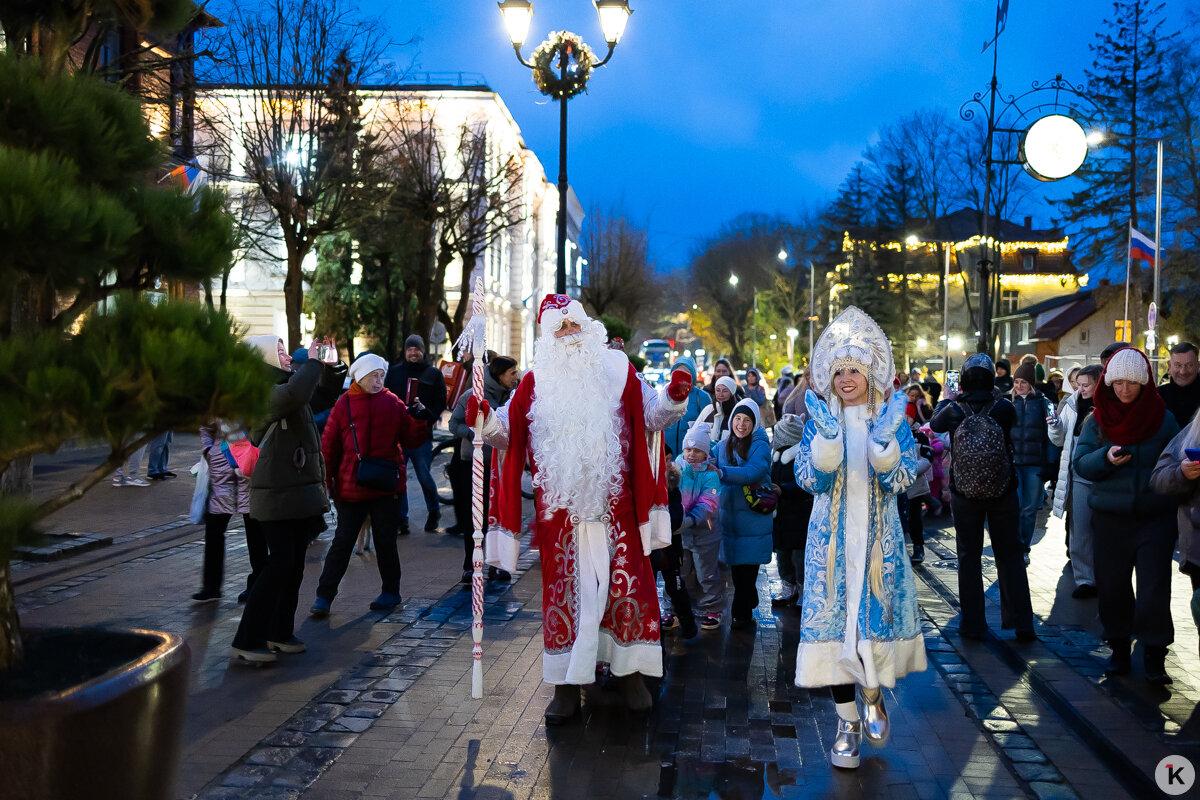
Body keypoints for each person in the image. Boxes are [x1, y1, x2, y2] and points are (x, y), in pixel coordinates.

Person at [472, 294, 692, 723]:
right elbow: (507, 433)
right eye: (560, 329)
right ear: (549, 337)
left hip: (616, 507)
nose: (569, 335)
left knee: (626, 590)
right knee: (565, 598)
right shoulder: (535, 383)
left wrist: (673, 397)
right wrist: (484, 417)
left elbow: (651, 416)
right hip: (562, 514)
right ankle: (567, 686)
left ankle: (630, 675)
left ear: (587, 328)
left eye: (573, 326)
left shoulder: (617, 370)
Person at [794, 306, 927, 771]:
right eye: (840, 371)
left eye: (855, 370)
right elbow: (807, 478)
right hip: (830, 548)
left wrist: (886, 452)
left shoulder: (890, 421)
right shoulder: (819, 422)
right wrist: (824, 451)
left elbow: (904, 476)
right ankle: (846, 721)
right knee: (834, 639)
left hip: (876, 546)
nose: (847, 378)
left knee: (869, 627)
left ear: (870, 376)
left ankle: (872, 694)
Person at [231, 335, 343, 664]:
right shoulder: (260, 391)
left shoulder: (288, 385)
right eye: (278, 350)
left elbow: (320, 395)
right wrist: (311, 361)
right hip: (275, 495)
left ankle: (279, 632)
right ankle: (247, 638)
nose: (285, 353)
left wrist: (330, 365)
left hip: (292, 494)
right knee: (278, 564)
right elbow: (296, 393)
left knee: (292, 566)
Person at [1074, 347, 1180, 684]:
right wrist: (1105, 457)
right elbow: (1081, 463)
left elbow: (1172, 461)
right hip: (1110, 518)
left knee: (1153, 590)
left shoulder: (1163, 419)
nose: (1123, 390)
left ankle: (1154, 654)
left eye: (1131, 384)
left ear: (1144, 383)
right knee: (1113, 588)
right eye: (1117, 383)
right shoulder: (1097, 419)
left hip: (1154, 516)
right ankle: (1118, 648)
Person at [930, 352, 1036, 642]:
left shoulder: (954, 409)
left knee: (968, 556)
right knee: (1010, 555)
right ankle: (1022, 622)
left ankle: (973, 624)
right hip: (1003, 490)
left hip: (964, 493)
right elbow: (1012, 425)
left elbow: (935, 425)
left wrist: (948, 396)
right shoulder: (1003, 406)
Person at [310, 353, 426, 618]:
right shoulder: (344, 404)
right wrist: (328, 482)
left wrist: (419, 418)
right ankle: (323, 596)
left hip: (385, 487)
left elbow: (411, 439)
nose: (378, 380)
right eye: (373, 375)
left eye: (381, 375)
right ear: (359, 377)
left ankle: (391, 592)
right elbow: (329, 447)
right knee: (342, 542)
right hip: (351, 488)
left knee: (386, 542)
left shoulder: (393, 402)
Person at [448, 355, 519, 581]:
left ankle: (496, 563)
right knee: (475, 517)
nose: (516, 377)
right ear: (500, 375)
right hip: (474, 464)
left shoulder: (513, 398)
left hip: (501, 466)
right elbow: (454, 423)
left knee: (497, 516)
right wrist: (473, 435)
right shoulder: (473, 395)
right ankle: (471, 564)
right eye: (512, 373)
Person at [714, 399, 774, 630]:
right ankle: (748, 599)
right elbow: (708, 457)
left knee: (746, 571)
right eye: (738, 419)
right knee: (737, 570)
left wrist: (722, 472)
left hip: (753, 517)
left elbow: (754, 472)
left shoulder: (760, 444)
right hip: (731, 519)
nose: (741, 424)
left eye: (747, 420)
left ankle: (741, 616)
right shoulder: (723, 444)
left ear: (754, 423)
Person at [192, 421, 266, 604]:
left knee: (255, 532)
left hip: (248, 465)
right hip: (220, 471)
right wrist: (209, 450)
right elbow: (206, 426)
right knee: (214, 532)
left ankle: (257, 585)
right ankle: (211, 586)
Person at [385, 334, 447, 533]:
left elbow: (440, 402)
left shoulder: (433, 374)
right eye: (409, 349)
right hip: (399, 435)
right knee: (399, 479)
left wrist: (427, 417)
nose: (413, 352)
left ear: (423, 351)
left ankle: (434, 511)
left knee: (424, 476)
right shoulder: (394, 373)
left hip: (421, 435)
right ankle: (401, 519)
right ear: (405, 352)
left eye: (417, 349)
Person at [1049, 364, 1102, 598]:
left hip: (1104, 474)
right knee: (1079, 527)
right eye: (1077, 385)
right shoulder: (1071, 404)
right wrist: (1055, 426)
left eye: (1085, 385)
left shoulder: (1108, 406)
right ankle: (1084, 579)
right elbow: (1059, 440)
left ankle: (1104, 575)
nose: (1080, 390)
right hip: (1077, 472)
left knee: (1102, 529)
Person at [676, 408, 725, 631]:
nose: (691, 454)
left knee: (707, 572)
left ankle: (712, 607)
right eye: (688, 449)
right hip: (681, 533)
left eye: (697, 450)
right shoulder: (678, 469)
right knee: (681, 573)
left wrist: (691, 519)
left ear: (706, 453)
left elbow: (709, 503)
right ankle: (678, 608)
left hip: (705, 532)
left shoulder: (710, 475)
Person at [1009, 361, 1062, 558]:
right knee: (1016, 506)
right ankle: (1014, 545)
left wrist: (1050, 464)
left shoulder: (1044, 403)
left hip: (1035, 464)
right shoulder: (1008, 403)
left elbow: (1052, 437)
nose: (1019, 385)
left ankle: (1024, 547)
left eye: (1023, 381)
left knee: (1030, 509)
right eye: (1016, 381)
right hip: (1013, 463)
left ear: (1031, 383)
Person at [770, 413, 812, 606]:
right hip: (780, 516)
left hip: (799, 515)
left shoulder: (803, 455)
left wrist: (783, 489)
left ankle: (803, 589)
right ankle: (788, 586)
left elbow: (807, 484)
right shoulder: (775, 456)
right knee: (782, 554)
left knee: (799, 556)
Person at [657, 462, 698, 639]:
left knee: (676, 586)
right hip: (651, 548)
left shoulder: (673, 491)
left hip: (670, 548)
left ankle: (688, 625)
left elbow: (675, 520)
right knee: (650, 586)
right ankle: (654, 627)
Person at [662, 356, 713, 458]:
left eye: (686, 372)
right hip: (666, 455)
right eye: (677, 372)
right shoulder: (664, 395)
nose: (681, 375)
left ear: (692, 375)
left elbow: (709, 428)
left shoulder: (702, 397)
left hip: (692, 457)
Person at [906, 425, 935, 564]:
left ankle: (918, 548)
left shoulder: (919, 436)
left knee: (914, 518)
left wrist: (909, 471)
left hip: (915, 486)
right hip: (893, 487)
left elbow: (928, 459)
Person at [1159, 341, 1200, 427]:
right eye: (1178, 365)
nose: (1183, 372)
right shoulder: (1158, 396)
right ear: (1169, 366)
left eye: (1189, 365)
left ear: (1198, 366)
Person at [710, 376, 739, 441]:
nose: (721, 394)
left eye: (725, 391)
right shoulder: (709, 409)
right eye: (718, 390)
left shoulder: (738, 412)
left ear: (731, 393)